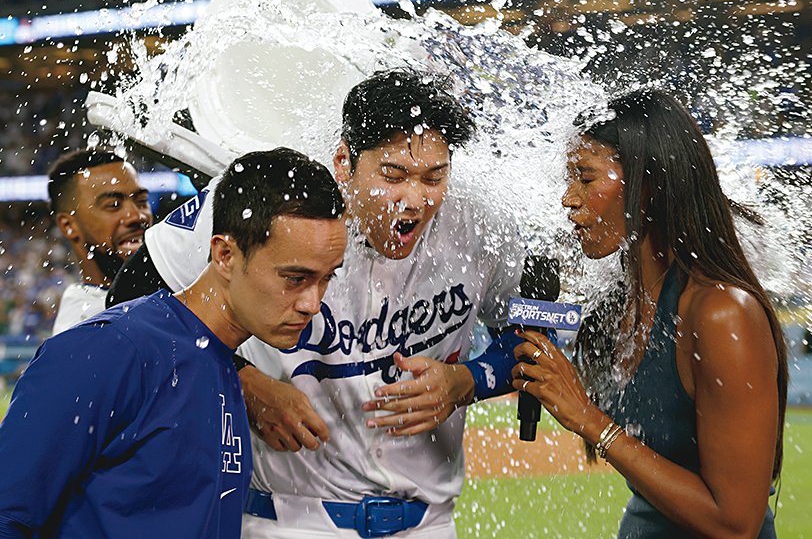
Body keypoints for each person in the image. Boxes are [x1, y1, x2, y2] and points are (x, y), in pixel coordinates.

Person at [107, 69, 525, 537]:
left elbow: (532, 329)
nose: (415, 199)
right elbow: (129, 301)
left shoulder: (479, 224)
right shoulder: (278, 198)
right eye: (393, 174)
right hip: (286, 520)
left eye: (434, 177)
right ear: (344, 162)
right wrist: (238, 380)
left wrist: (470, 379)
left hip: (432, 523)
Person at [0, 148, 347, 538]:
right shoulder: (109, 348)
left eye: (326, 278)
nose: (312, 303)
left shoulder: (224, 366)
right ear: (225, 255)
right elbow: (7, 512)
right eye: (295, 278)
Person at [511, 90, 786, 538]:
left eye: (585, 178)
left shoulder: (721, 314)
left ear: (648, 184)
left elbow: (736, 523)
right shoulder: (622, 302)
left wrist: (590, 420)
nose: (568, 199)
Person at [46, 149, 152, 334]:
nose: (137, 216)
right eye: (113, 205)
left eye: (141, 201)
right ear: (69, 225)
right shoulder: (84, 333)